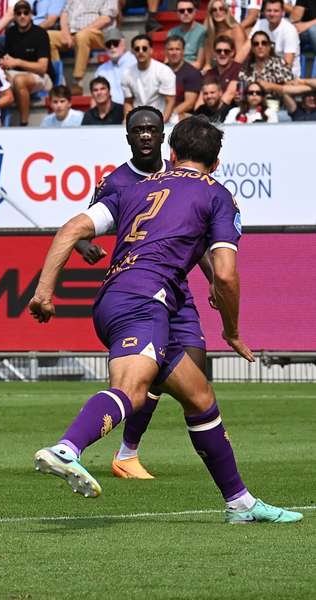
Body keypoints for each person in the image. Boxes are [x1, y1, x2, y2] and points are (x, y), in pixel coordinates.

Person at [28, 114, 302, 525]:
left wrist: (44, 292)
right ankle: (67, 448)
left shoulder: (134, 188)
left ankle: (240, 503)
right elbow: (225, 273)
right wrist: (231, 330)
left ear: (172, 153)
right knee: (131, 390)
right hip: (146, 299)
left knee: (199, 396)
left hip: (120, 296)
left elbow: (71, 229)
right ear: (218, 160)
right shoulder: (218, 196)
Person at [74, 107, 207, 479]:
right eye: (139, 130)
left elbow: (198, 236)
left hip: (177, 288)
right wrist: (85, 247)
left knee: (194, 367)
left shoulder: (182, 174)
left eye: (152, 129)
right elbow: (82, 228)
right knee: (151, 373)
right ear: (128, 137)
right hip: (142, 288)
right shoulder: (116, 182)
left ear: (163, 135)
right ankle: (126, 453)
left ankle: (125, 452)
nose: (146, 135)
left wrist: (211, 277)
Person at [1, 0, 54, 127]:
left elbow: (42, 68)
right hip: (16, 73)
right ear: (14, 16)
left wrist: (17, 62)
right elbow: (8, 57)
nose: (22, 16)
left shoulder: (40, 33)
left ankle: (24, 123)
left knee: (19, 80)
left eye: (25, 13)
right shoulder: (11, 33)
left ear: (31, 15)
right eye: (18, 13)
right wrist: (4, 63)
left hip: (42, 76)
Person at [47, 0, 117, 95]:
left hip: (97, 34)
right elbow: (64, 14)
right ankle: (58, 80)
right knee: (47, 36)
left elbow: (106, 19)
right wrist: (65, 33)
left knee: (82, 36)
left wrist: (81, 33)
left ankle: (77, 82)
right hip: (72, 34)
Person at [122, 34, 176, 123]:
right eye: (137, 49)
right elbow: (128, 102)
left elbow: (170, 101)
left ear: (151, 50)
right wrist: (128, 122)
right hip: (137, 119)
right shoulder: (126, 73)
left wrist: (161, 123)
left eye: (144, 48)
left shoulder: (164, 71)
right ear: (132, 51)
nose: (140, 51)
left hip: (162, 118)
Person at [251, 0, 300, 77]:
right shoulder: (260, 24)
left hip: (286, 77)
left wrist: (267, 77)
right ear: (263, 12)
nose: (272, 14)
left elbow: (288, 65)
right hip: (261, 73)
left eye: (276, 11)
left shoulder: (289, 30)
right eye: (269, 10)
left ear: (282, 13)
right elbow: (246, 49)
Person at [239, 30, 295, 96]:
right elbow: (241, 92)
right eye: (256, 44)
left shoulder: (279, 64)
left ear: (269, 47)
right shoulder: (246, 67)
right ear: (252, 49)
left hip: (276, 103)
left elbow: (291, 87)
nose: (260, 46)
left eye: (264, 43)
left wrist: (272, 86)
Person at [202, 1, 248, 72]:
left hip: (235, 68)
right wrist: (207, 67)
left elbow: (240, 57)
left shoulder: (236, 30)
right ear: (211, 14)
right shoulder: (210, 32)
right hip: (216, 68)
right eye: (214, 10)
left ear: (226, 11)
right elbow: (208, 62)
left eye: (221, 9)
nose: (218, 12)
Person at [166, 35, 203, 120]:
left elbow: (189, 103)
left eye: (177, 49)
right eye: (171, 49)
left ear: (183, 51)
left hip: (181, 117)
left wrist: (169, 115)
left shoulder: (192, 73)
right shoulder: (160, 71)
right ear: (165, 51)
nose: (174, 52)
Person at [94, 29, 136, 105]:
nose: (112, 47)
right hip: (110, 113)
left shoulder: (135, 63)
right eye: (108, 44)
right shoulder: (101, 70)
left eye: (116, 43)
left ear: (123, 43)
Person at [202, 35, 242, 106]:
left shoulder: (239, 69)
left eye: (226, 51)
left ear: (232, 53)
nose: (222, 54)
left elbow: (229, 96)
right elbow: (201, 99)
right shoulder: (209, 73)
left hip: (231, 111)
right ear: (214, 53)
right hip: (211, 112)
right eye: (219, 51)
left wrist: (216, 116)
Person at [167, 0, 207, 69]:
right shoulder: (171, 32)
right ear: (177, 13)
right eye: (182, 11)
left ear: (195, 11)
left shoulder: (203, 32)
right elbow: (167, 59)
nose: (186, 13)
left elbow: (199, 64)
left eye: (189, 10)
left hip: (193, 71)